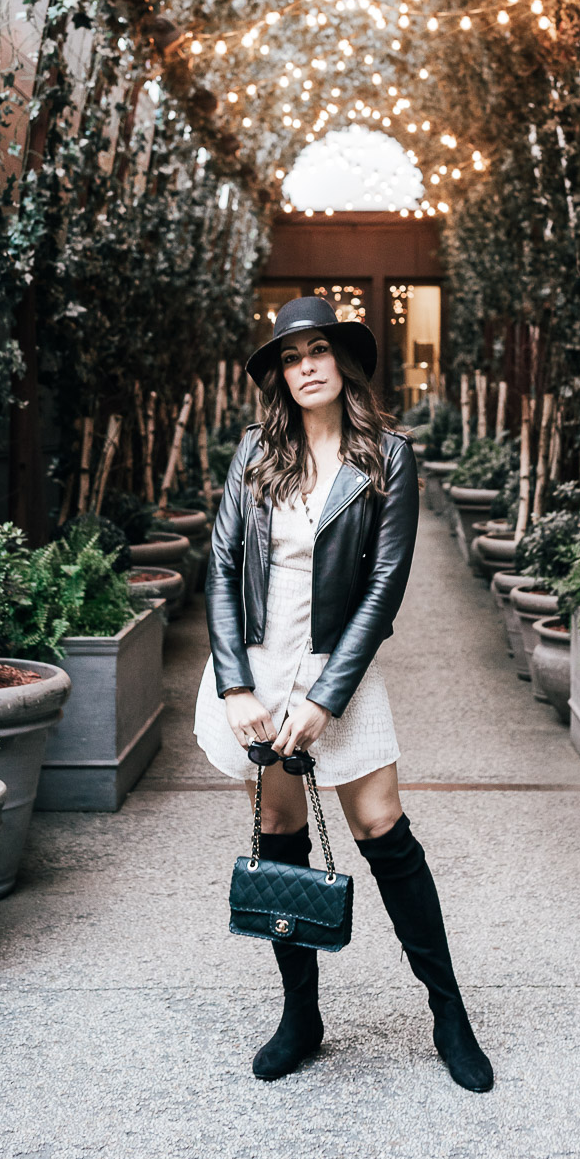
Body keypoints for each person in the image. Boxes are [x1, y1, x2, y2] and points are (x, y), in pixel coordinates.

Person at [194, 295, 493, 1091]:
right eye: (291, 357)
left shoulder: (388, 455)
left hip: (337, 671)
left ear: (344, 361)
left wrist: (327, 696)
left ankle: (448, 1013)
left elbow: (385, 585)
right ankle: (301, 1015)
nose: (307, 366)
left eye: (319, 350)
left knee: (380, 823)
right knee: (278, 827)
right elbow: (221, 565)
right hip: (258, 670)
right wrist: (233, 685)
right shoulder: (256, 451)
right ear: (280, 375)